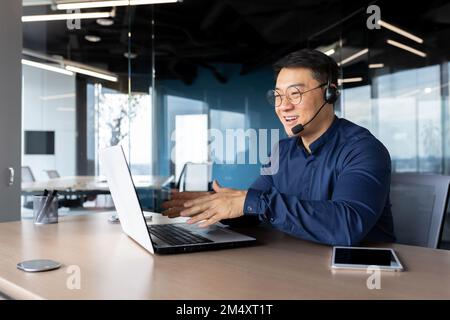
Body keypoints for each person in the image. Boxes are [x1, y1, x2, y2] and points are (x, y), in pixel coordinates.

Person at [162, 48, 395, 246]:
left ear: (329, 93)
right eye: (277, 95)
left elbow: (347, 225)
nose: (283, 106)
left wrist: (251, 201)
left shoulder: (363, 149)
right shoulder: (281, 151)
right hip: (299, 263)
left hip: (359, 273)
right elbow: (255, 209)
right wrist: (218, 204)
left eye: (295, 94)